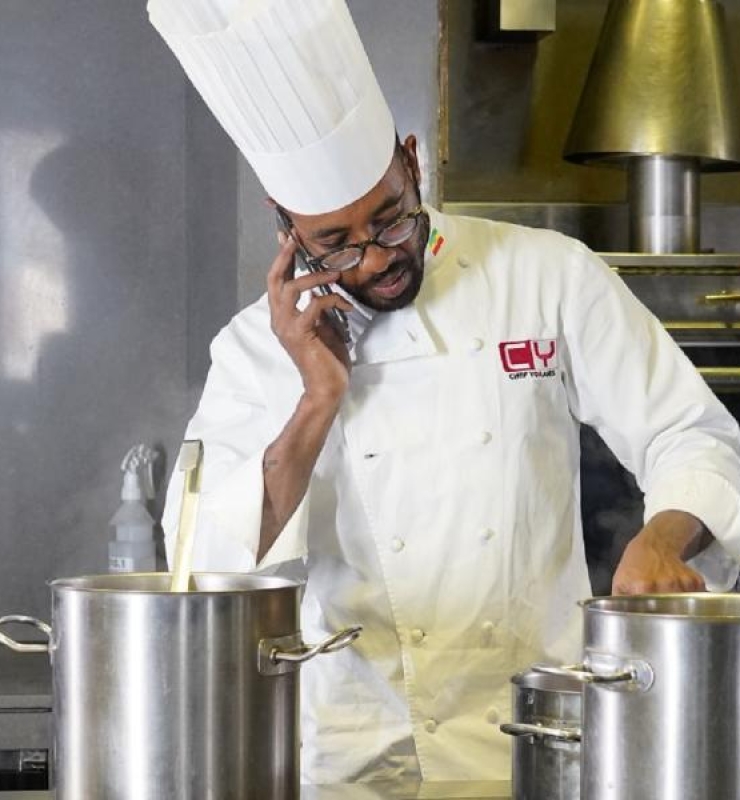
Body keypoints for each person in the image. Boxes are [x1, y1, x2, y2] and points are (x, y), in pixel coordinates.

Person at [149, 0, 740, 784]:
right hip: (348, 761)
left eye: (390, 218)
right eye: (335, 243)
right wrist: (316, 400)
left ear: (412, 162)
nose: (376, 258)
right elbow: (201, 565)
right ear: (285, 229)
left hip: (534, 742)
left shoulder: (546, 275)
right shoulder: (256, 347)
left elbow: (692, 434)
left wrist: (663, 537)